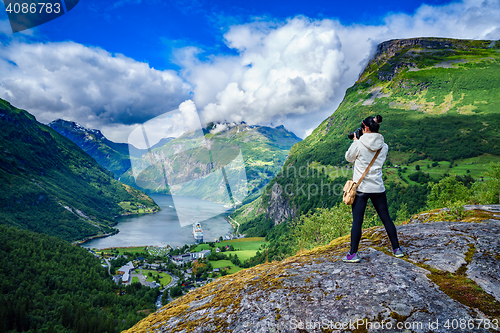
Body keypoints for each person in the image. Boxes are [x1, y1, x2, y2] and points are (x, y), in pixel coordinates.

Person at [342, 115, 404, 263]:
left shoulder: (358, 144)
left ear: (366, 128)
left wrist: (356, 141)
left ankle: (353, 254)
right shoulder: (384, 146)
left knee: (357, 221)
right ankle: (397, 249)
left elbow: (348, 158)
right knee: (386, 218)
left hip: (361, 188)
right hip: (377, 187)